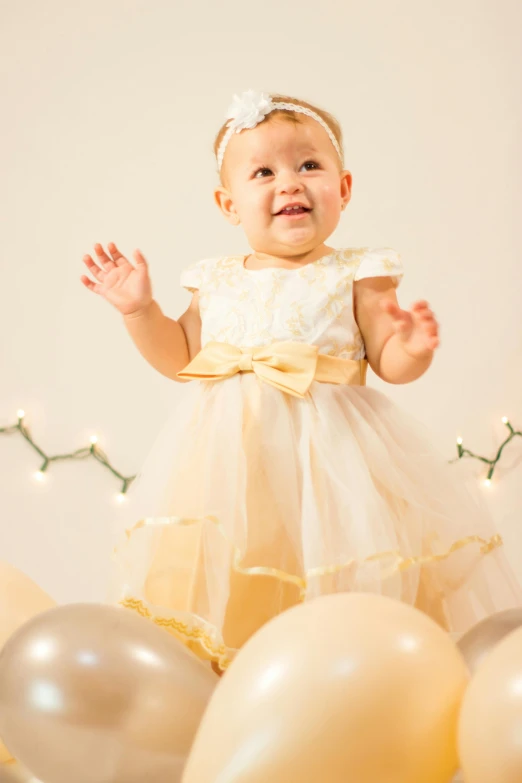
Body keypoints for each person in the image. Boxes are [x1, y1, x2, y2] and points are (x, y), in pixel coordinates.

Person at [81, 90, 522, 674]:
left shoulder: (358, 271)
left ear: (342, 189)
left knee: (342, 579)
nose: (289, 183)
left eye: (308, 166)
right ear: (228, 204)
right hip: (231, 469)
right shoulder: (213, 279)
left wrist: (409, 347)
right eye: (263, 172)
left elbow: (387, 361)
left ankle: (346, 688)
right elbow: (181, 356)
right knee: (236, 577)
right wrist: (140, 311)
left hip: (339, 465)